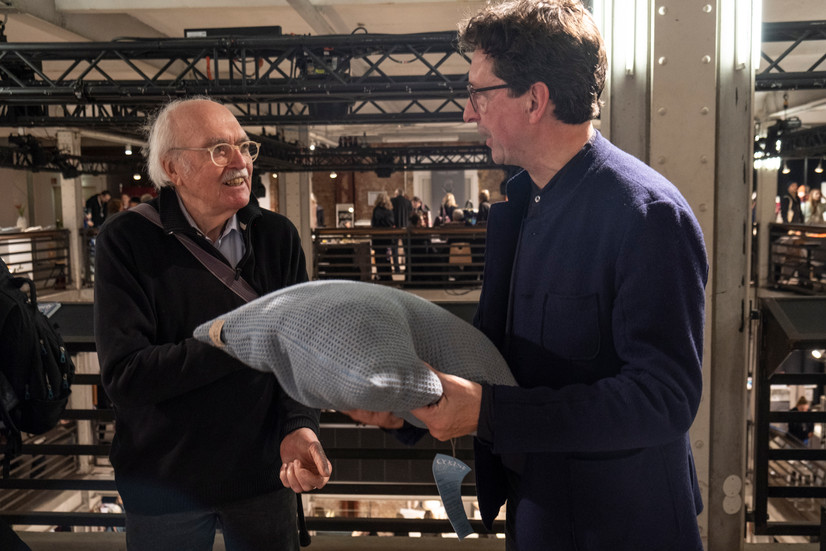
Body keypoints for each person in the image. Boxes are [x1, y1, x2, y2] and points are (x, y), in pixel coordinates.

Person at [348, 2, 708, 549]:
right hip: (539, 512)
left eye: (478, 94)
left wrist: (490, 414)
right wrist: (410, 411)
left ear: (535, 100)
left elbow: (663, 400)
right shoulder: (522, 204)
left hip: (624, 526)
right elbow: (504, 365)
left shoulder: (648, 215)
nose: (468, 113)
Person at [94, 98, 331, 551]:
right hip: (165, 486)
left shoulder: (277, 236)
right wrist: (237, 340)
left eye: (244, 146)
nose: (240, 161)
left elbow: (298, 351)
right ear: (174, 168)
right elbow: (127, 376)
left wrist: (300, 425)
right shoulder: (125, 240)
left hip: (263, 479)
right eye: (219, 149)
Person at [370, 191, 395, 282]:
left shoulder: (376, 210)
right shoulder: (389, 210)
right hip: (387, 239)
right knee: (387, 257)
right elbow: (391, 223)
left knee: (379, 258)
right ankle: (388, 276)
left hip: (378, 238)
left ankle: (381, 275)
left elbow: (374, 224)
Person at [390, 189, 412, 273]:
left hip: (394, 228)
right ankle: (407, 268)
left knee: (394, 249)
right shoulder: (408, 202)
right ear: (403, 194)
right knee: (406, 249)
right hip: (405, 228)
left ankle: (397, 268)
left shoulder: (392, 201)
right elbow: (410, 215)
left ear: (396, 194)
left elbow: (390, 213)